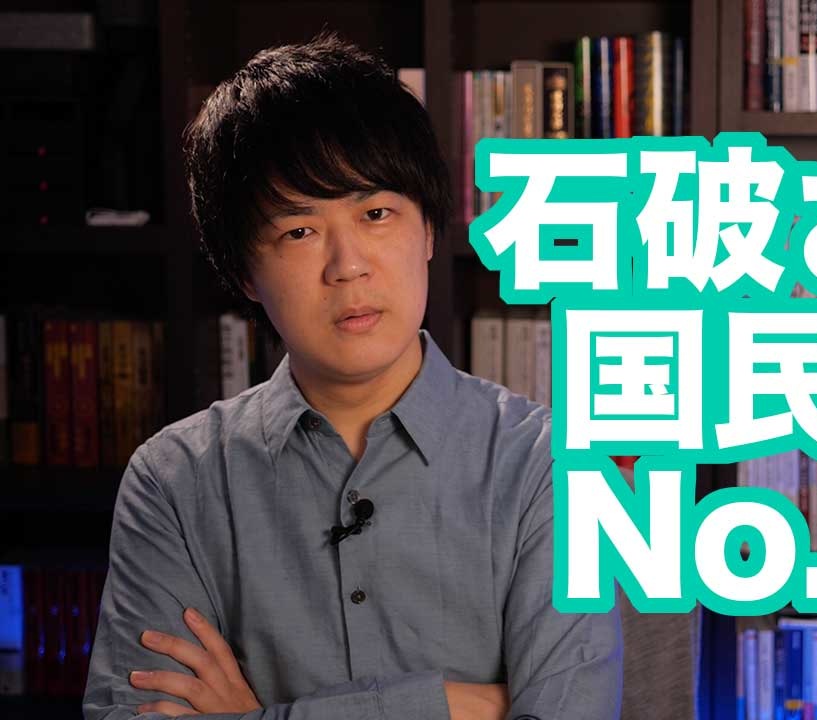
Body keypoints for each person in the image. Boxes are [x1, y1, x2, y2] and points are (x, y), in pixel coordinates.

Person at [83, 34, 624, 720]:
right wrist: (451, 706)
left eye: (375, 214)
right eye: (299, 232)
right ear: (244, 272)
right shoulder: (174, 481)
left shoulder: (549, 467)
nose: (348, 266)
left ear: (428, 231)